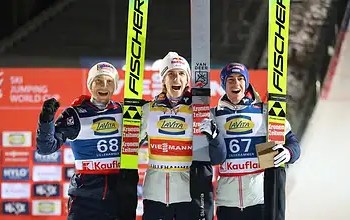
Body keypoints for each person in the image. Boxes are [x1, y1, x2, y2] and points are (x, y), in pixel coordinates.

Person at [35, 62, 138, 220]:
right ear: (90, 85)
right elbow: (46, 147)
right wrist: (46, 120)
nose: (104, 86)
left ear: (116, 86)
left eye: (109, 81)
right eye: (98, 81)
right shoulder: (75, 114)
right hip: (85, 200)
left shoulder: (126, 112)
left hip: (118, 199)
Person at [206, 62, 301, 220]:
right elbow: (210, 157)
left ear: (246, 83)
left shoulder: (264, 112)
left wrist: (288, 152)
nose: (236, 83)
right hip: (227, 204)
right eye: (230, 80)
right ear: (223, 84)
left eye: (240, 79)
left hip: (259, 201)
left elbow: (293, 143)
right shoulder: (213, 116)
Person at [139, 51, 226, 220]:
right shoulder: (149, 110)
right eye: (170, 74)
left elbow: (219, 157)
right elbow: (129, 145)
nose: (176, 78)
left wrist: (214, 136)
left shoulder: (199, 111)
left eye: (181, 74)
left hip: (188, 196)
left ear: (187, 80)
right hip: (154, 196)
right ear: (163, 80)